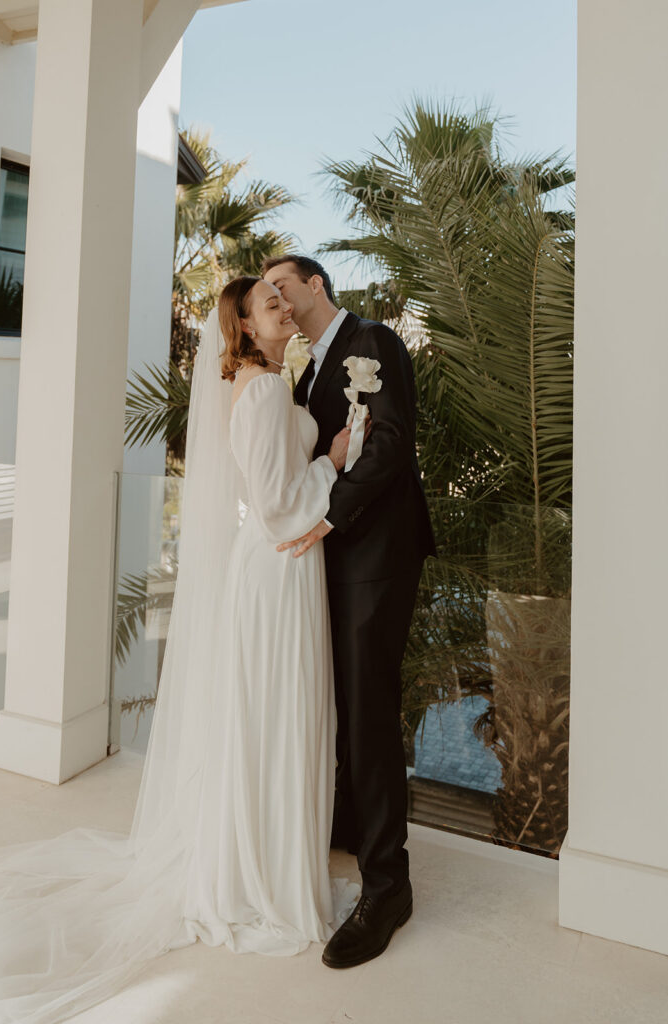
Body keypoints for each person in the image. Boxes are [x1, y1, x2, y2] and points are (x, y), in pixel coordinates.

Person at [0, 276, 364, 1024]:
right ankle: (259, 878)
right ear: (243, 327)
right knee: (273, 715)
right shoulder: (261, 391)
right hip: (278, 566)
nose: (284, 307)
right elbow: (275, 506)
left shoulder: (263, 383)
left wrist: (314, 455)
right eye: (269, 304)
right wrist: (334, 458)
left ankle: (264, 858)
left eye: (284, 299)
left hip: (279, 566)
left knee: (268, 717)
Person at [262, 255, 438, 969]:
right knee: (336, 699)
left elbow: (391, 441)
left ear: (315, 285)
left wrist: (327, 515)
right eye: (264, 292)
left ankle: (388, 886)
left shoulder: (372, 340)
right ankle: (347, 825)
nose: (273, 296)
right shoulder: (303, 370)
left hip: (376, 553)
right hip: (328, 559)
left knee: (367, 709)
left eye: (280, 284)